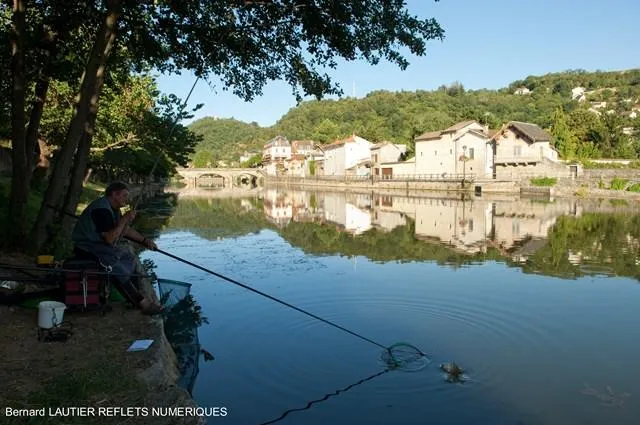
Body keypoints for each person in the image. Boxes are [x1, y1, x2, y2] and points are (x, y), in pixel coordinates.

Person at [72, 181, 163, 314]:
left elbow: (123, 230)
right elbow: (110, 239)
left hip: (99, 247)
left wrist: (145, 241)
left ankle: (131, 295)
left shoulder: (113, 209)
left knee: (128, 257)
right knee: (115, 265)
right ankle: (142, 302)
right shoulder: (101, 210)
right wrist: (125, 219)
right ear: (115, 194)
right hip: (86, 247)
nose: (127, 199)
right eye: (125, 195)